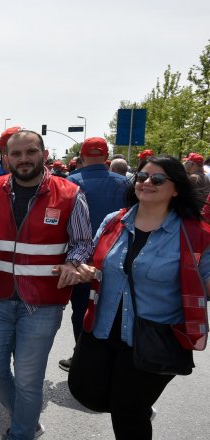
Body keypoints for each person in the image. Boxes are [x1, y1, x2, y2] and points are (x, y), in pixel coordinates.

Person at [0, 130, 94, 439]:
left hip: (44, 302)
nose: (23, 159)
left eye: (30, 152)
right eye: (15, 154)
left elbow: (83, 243)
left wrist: (74, 262)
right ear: (6, 158)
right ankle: (27, 419)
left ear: (43, 154)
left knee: (29, 379)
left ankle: (21, 432)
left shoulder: (70, 193)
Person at [69, 154, 210, 439]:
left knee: (127, 413)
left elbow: (205, 283)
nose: (146, 183)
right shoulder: (114, 221)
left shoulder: (195, 233)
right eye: (142, 177)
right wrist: (84, 269)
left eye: (157, 179)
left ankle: (137, 408)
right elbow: (96, 262)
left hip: (156, 336)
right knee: (85, 391)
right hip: (103, 327)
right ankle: (139, 407)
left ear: (176, 189)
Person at [59, 137, 129, 371]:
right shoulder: (124, 183)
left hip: (80, 259)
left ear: (82, 155)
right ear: (106, 156)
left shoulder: (71, 182)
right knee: (112, 306)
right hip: (116, 257)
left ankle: (81, 359)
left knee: (82, 308)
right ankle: (109, 359)